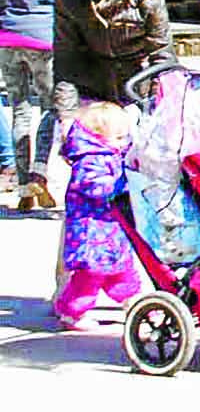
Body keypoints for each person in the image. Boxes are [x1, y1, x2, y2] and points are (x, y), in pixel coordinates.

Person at [0, 0, 72, 210]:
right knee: (50, 107)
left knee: (18, 108)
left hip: (7, 37)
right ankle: (40, 172)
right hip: (44, 38)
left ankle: (24, 184)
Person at [53, 101, 142, 329]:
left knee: (123, 270)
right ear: (98, 136)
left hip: (110, 229)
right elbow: (96, 187)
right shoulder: (89, 159)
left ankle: (135, 302)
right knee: (89, 277)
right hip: (91, 231)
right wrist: (124, 184)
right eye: (120, 138)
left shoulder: (111, 154)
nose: (125, 143)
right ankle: (72, 313)